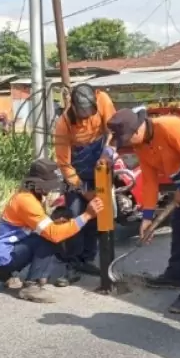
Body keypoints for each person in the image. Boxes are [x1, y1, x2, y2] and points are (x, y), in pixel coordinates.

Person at [107, 107, 180, 314]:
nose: (126, 144)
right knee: (179, 230)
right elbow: (150, 182)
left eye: (127, 138)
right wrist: (147, 217)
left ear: (137, 130)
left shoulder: (170, 126)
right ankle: (174, 276)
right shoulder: (142, 146)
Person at [0, 159, 105, 303]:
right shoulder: (26, 200)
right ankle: (32, 285)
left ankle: (4, 274)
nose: (51, 188)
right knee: (50, 239)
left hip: (5, 251)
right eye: (48, 184)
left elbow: (34, 226)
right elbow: (53, 235)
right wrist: (86, 215)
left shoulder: (29, 195)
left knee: (50, 233)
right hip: (7, 254)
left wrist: (56, 223)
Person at [53, 83, 116, 284]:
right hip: (75, 174)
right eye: (83, 114)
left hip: (100, 165)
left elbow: (113, 131)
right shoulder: (63, 124)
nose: (87, 118)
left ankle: (87, 258)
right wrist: (84, 190)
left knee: (96, 217)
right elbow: (64, 163)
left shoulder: (103, 99)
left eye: (90, 113)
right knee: (75, 214)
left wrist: (106, 152)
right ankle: (72, 264)